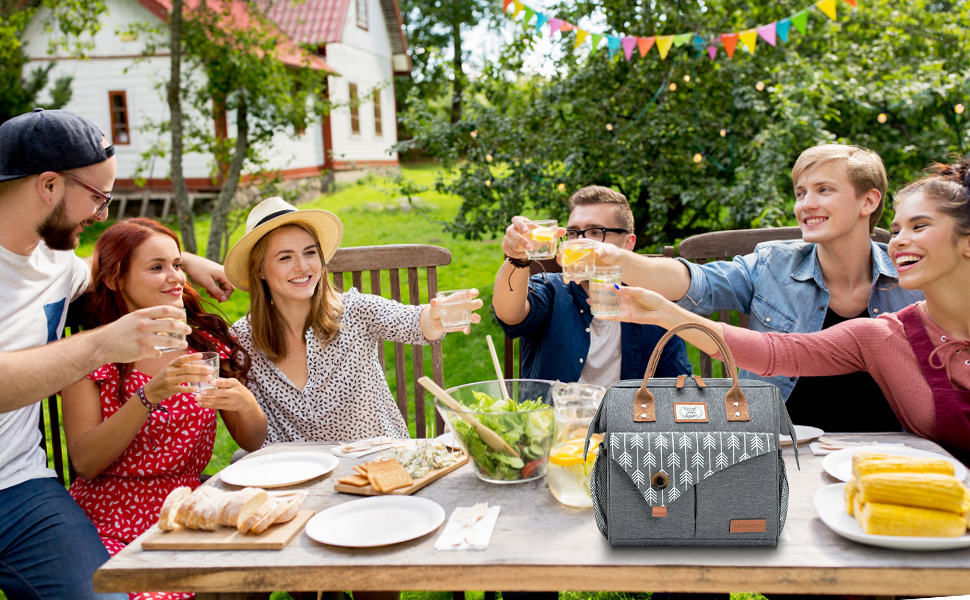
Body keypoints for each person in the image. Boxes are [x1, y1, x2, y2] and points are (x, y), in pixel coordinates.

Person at [0, 109, 230, 600]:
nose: (102, 214)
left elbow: (109, 262)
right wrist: (104, 344)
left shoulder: (56, 264)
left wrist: (183, 260)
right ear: (48, 186)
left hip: (19, 487)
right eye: (97, 197)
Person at [603, 155, 970, 463]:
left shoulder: (919, 280)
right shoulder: (778, 270)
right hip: (784, 447)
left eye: (824, 189)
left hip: (898, 452)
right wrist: (621, 263)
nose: (805, 203)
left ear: (868, 201)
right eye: (800, 192)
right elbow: (708, 291)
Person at [59, 218, 267, 600]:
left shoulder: (202, 343)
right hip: (108, 516)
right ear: (114, 279)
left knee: (257, 570)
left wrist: (245, 402)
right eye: (157, 268)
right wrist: (147, 397)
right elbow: (86, 463)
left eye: (177, 266)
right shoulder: (90, 354)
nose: (174, 278)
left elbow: (252, 439)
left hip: (185, 508)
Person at [223, 196, 483, 445]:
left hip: (382, 467)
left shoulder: (354, 311)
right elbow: (250, 435)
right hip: (297, 480)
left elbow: (414, 322)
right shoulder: (243, 340)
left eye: (310, 253)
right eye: (285, 257)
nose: (303, 266)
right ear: (259, 269)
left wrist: (436, 318)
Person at [493, 185, 692, 387]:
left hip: (625, 418)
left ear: (628, 243)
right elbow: (509, 313)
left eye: (595, 232)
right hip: (554, 416)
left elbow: (679, 385)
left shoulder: (652, 304)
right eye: (572, 233)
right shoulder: (552, 289)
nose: (580, 242)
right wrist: (517, 258)